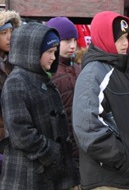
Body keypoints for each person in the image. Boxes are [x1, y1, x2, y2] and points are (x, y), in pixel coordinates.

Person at [72, 11, 129, 190]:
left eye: (127, 36)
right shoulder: (93, 73)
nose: (125, 43)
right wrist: (123, 159)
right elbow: (87, 127)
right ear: (104, 37)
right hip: (109, 179)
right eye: (119, 38)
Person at [0, 22, 79, 189]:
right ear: (32, 52)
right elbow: (20, 133)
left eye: (55, 52)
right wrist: (53, 152)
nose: (53, 57)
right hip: (28, 175)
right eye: (49, 52)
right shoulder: (16, 82)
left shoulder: (43, 79)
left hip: (48, 174)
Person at [45, 17, 81, 168]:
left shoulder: (78, 68)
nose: (72, 45)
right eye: (66, 40)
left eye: (74, 40)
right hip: (58, 149)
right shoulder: (48, 71)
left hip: (80, 145)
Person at [0, 10, 21, 171]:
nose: (9, 37)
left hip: (13, 135)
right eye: (3, 33)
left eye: (11, 32)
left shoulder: (14, 62)